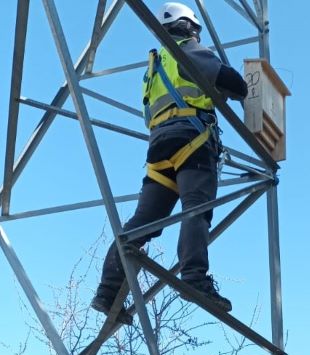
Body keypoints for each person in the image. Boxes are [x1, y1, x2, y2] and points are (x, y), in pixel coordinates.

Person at [91, 2, 248, 325]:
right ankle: (194, 278)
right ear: (189, 27)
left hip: (159, 147)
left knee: (143, 221)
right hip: (191, 139)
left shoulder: (154, 66)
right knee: (196, 207)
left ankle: (107, 292)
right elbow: (235, 84)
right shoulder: (188, 50)